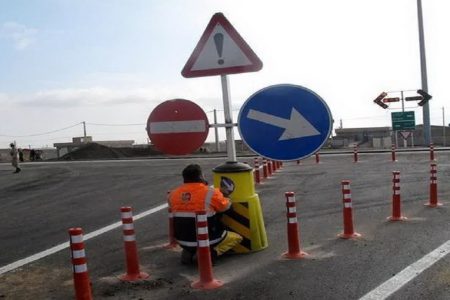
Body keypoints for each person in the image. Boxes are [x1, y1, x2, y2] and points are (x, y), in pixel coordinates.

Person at [168, 164, 242, 265]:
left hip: (182, 240)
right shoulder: (210, 192)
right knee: (236, 238)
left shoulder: (173, 194)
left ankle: (190, 251)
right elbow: (227, 208)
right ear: (201, 176)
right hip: (207, 239)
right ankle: (208, 254)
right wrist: (225, 195)